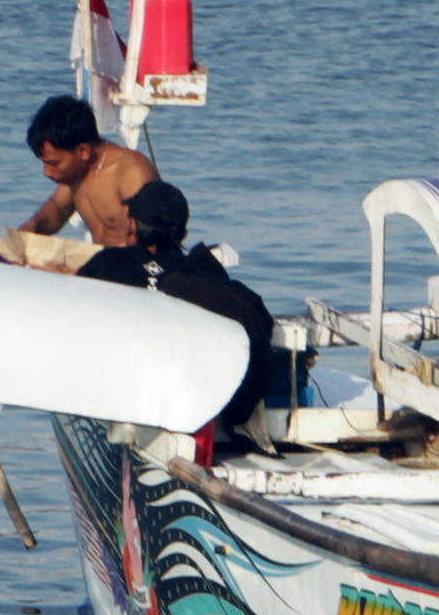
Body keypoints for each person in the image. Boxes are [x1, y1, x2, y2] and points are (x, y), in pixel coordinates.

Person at [79, 179, 285, 434]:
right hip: (192, 394)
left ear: (132, 225)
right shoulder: (203, 271)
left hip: (129, 390)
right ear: (183, 233)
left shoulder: (106, 263)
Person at [12, 94, 157, 257]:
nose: (46, 172)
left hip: (135, 269)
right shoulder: (77, 172)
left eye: (53, 163)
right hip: (103, 265)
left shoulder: (131, 171)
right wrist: (33, 226)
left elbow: (150, 240)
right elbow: (57, 207)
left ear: (83, 151)